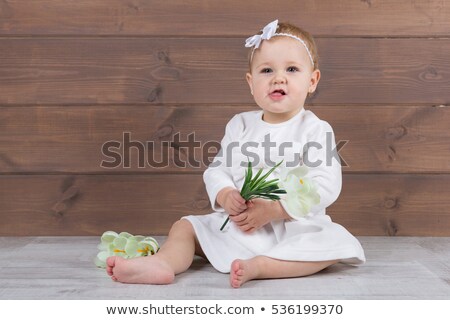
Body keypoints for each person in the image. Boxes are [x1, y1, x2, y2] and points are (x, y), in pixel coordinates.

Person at [106, 19, 365, 288]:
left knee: (331, 243)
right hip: (243, 227)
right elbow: (218, 170)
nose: (279, 77)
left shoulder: (314, 129)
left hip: (294, 228)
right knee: (185, 227)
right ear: (251, 83)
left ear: (312, 80)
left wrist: (277, 209)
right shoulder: (241, 124)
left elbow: (325, 186)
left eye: (291, 69)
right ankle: (163, 263)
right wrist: (226, 194)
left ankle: (262, 266)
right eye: (267, 70)